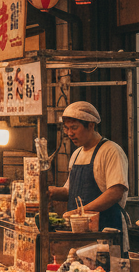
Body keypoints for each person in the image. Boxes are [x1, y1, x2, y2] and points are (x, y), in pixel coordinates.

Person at [46, 101, 129, 235]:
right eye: (66, 128)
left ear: (90, 126)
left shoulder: (111, 151)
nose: (69, 133)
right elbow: (70, 191)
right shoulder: (77, 154)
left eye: (74, 127)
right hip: (80, 232)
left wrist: (80, 212)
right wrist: (51, 192)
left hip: (106, 230)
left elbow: (115, 192)